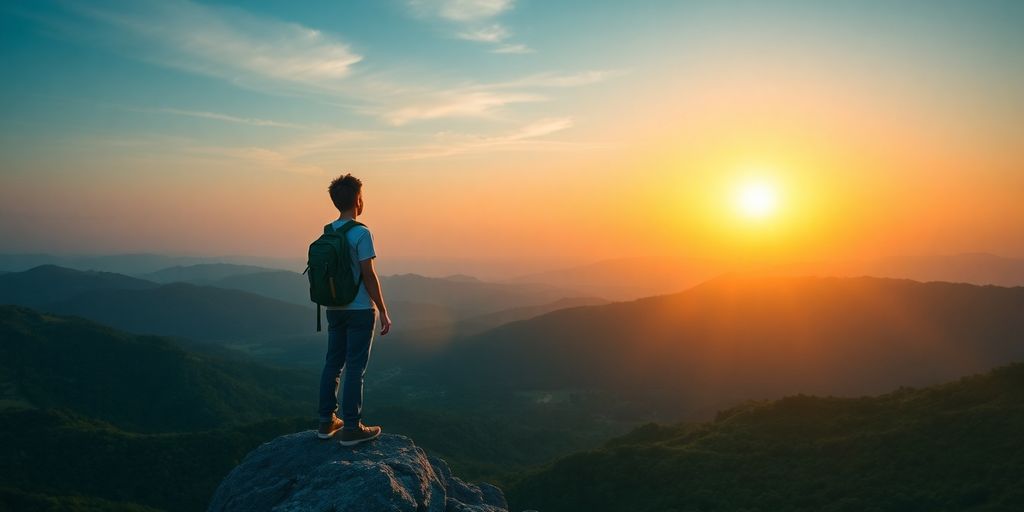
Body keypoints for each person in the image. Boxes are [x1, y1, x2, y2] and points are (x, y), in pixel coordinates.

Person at [316, 173, 392, 446]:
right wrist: (382, 309)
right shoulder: (362, 232)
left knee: (332, 364)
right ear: (358, 201)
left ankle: (326, 421)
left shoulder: (328, 232)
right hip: (360, 309)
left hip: (334, 308)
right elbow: (368, 275)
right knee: (355, 368)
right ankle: (351, 427)